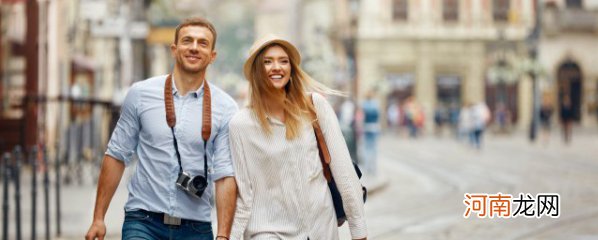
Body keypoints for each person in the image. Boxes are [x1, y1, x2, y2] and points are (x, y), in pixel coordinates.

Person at [85, 17, 238, 240]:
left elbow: (225, 175)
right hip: (143, 221)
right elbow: (116, 155)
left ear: (212, 55)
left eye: (202, 43)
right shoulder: (140, 94)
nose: (194, 47)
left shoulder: (225, 107)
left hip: (196, 228)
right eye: (187, 41)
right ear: (174, 49)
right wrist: (98, 218)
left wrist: (223, 235)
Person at [228, 35, 367, 240]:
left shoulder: (314, 107)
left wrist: (359, 231)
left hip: (321, 229)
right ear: (256, 71)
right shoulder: (240, 125)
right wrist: (231, 236)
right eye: (267, 61)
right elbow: (244, 194)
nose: (277, 67)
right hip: (268, 232)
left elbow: (344, 173)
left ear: (291, 68)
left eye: (283, 61)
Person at [362, 91, 380, 175]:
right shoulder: (375, 105)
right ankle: (373, 166)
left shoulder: (364, 105)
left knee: (366, 148)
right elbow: (378, 116)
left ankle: (367, 166)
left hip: (366, 127)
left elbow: (362, 117)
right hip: (374, 127)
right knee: (373, 148)